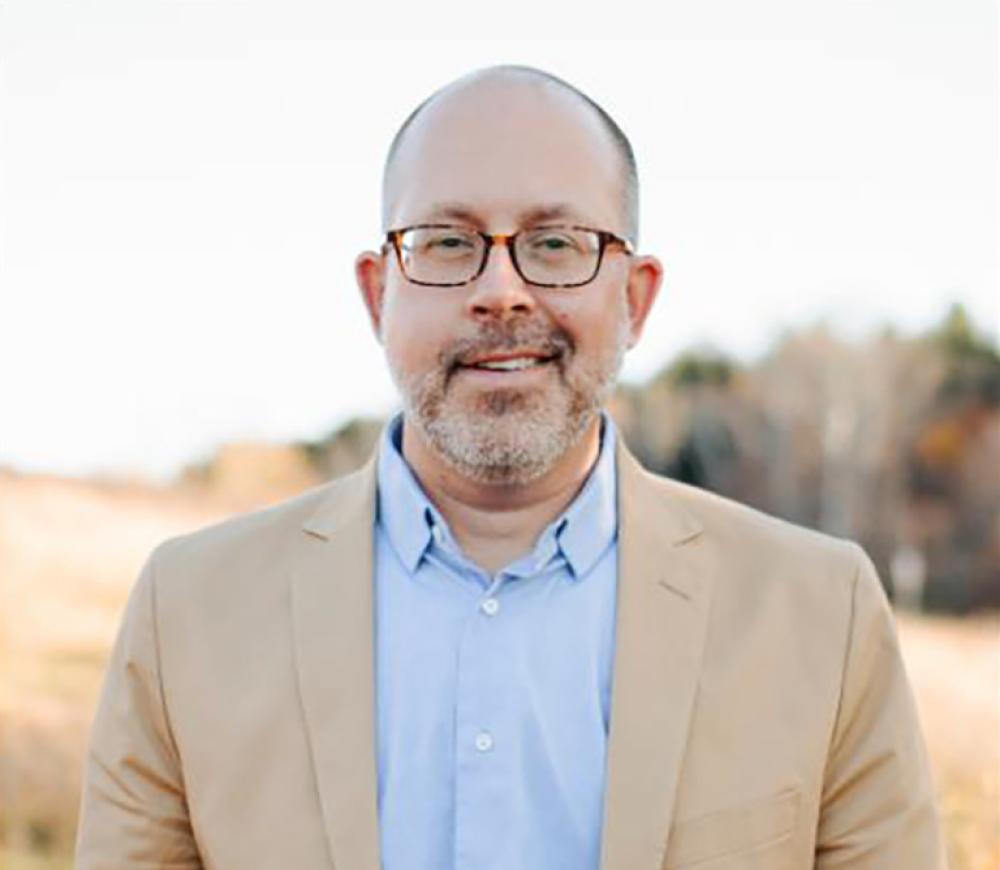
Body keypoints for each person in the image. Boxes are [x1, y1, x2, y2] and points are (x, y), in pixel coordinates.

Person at [75, 65, 947, 869]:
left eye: (558, 242)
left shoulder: (821, 615)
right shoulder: (188, 613)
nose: (501, 290)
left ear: (635, 298)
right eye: (448, 243)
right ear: (379, 294)